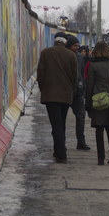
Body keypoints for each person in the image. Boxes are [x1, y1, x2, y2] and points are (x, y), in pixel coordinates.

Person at [36, 32, 78, 163]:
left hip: (50, 95)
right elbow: (75, 76)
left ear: (55, 41)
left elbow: (40, 73)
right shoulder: (71, 55)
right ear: (65, 42)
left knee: (56, 124)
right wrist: (71, 90)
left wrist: (43, 89)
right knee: (61, 123)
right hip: (65, 95)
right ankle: (60, 150)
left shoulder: (45, 53)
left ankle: (60, 153)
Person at [85, 41, 109, 165]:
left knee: (99, 129)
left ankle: (100, 158)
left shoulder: (93, 65)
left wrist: (88, 103)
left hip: (98, 100)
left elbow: (90, 86)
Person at [65, 35, 90, 151]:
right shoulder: (64, 56)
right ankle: (61, 143)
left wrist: (82, 88)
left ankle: (81, 142)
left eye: (78, 45)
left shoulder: (80, 58)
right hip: (66, 91)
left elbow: (82, 75)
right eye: (75, 45)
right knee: (62, 118)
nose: (77, 47)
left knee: (81, 116)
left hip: (78, 92)